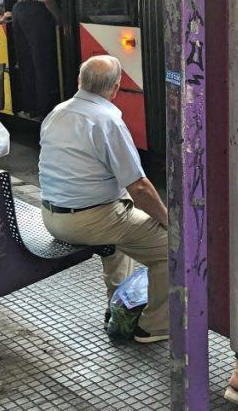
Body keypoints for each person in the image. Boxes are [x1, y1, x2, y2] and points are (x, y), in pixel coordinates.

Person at [39, 55, 170, 343]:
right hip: (89, 220)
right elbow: (140, 187)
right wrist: (169, 222)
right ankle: (154, 325)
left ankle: (119, 308)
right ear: (116, 88)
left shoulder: (57, 113)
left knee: (123, 219)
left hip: (51, 217)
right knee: (171, 249)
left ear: (79, 82)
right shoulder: (107, 120)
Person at [12, 0, 62, 117]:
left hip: (18, 10)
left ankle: (30, 105)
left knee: (26, 61)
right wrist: (59, 18)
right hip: (36, 13)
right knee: (42, 61)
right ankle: (45, 108)